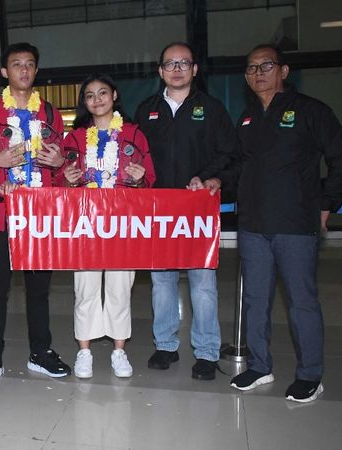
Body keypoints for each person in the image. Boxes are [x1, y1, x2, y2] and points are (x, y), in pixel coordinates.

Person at [226, 44, 342, 402]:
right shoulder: (248, 118)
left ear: (283, 71)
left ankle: (310, 374)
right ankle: (259, 365)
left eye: (266, 66)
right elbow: (239, 165)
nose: (258, 73)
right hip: (253, 224)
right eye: (252, 68)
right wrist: (211, 180)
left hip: (295, 224)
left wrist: (327, 203)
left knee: (301, 302)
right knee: (255, 300)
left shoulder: (311, 111)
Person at [135, 42, 238, 380]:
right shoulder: (147, 110)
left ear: (195, 70)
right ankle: (165, 345)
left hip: (198, 209)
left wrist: (210, 177)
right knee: (162, 282)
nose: (177, 68)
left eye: (184, 63)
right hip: (158, 209)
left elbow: (228, 154)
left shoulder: (212, 108)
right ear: (161, 71)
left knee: (203, 283)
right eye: (170, 63)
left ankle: (207, 352)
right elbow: (134, 156)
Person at [0, 42, 70, 383]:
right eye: (17, 65)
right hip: (3, 215)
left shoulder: (51, 113)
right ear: (5, 72)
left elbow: (64, 169)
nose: (24, 70)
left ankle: (40, 352)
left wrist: (60, 162)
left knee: (39, 289)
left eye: (30, 64)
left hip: (40, 216)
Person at [58, 73, 155, 379]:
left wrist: (141, 179)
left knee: (119, 288)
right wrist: (68, 181)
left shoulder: (134, 134)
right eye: (90, 95)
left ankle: (119, 351)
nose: (97, 99)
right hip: (85, 224)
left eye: (102, 93)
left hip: (122, 225)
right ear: (84, 102)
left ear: (114, 95)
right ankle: (84, 351)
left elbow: (150, 180)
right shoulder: (73, 139)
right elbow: (61, 181)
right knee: (85, 289)